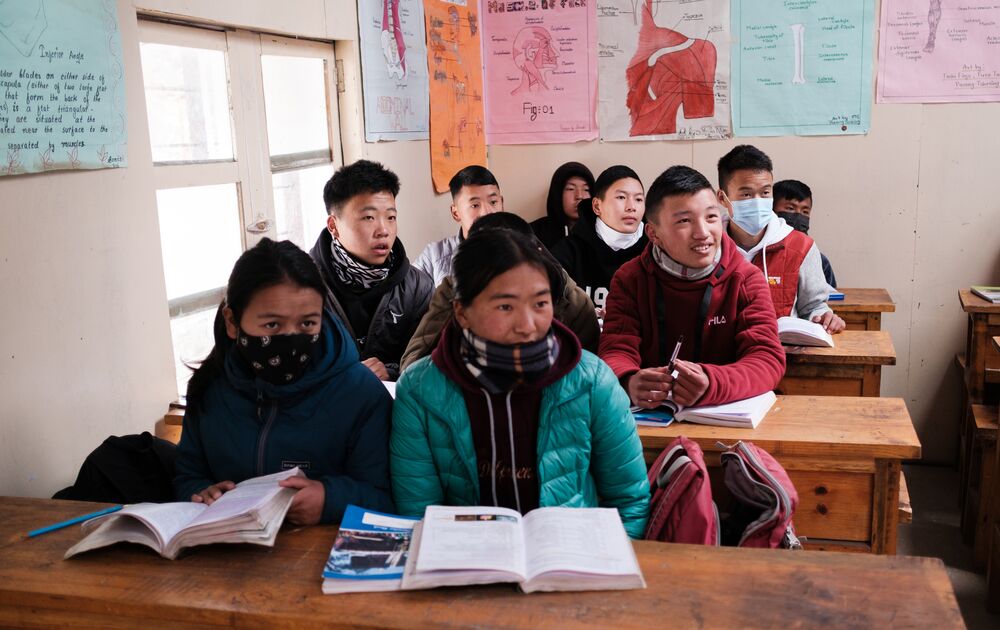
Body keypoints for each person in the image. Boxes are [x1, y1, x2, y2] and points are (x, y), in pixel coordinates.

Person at [390, 230, 650, 538]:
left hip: (572, 563)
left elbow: (630, 501)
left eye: (540, 304)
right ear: (461, 312)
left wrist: (605, 569)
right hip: (465, 566)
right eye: (505, 307)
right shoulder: (420, 390)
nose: (528, 325)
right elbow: (418, 514)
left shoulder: (592, 380)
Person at [174, 238, 394, 525]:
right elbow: (186, 476)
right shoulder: (209, 387)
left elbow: (386, 498)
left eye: (307, 324)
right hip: (226, 554)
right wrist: (201, 494)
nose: (291, 339)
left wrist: (328, 499)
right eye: (272, 325)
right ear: (232, 322)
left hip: (318, 556)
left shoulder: (359, 393)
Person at [600, 165, 785, 410]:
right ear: (653, 233)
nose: (703, 233)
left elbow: (767, 359)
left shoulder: (746, 279)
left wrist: (712, 383)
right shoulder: (630, 279)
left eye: (711, 217)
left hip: (725, 425)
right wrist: (628, 380)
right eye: (685, 221)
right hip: (650, 420)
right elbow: (615, 350)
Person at [400, 212, 600, 371]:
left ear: (537, 253)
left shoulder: (574, 302)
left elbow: (587, 373)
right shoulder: (455, 289)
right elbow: (413, 364)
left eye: (539, 304)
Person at [309, 159, 433, 381]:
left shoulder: (417, 287)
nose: (384, 230)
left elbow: (427, 360)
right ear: (333, 226)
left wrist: (391, 371)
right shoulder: (302, 285)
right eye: (369, 217)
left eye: (391, 217)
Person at [716, 145, 845, 333]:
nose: (758, 201)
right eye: (746, 194)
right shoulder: (709, 246)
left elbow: (814, 308)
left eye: (765, 193)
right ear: (722, 197)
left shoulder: (800, 246)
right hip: (722, 357)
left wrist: (825, 318)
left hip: (780, 355)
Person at [551, 165, 647, 318]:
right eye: (621, 197)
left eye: (639, 199)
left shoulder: (656, 248)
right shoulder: (569, 250)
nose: (631, 207)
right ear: (596, 206)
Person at [413, 165, 504, 287]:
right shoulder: (434, 256)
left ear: (502, 203)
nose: (486, 212)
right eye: (475, 205)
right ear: (456, 213)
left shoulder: (523, 249)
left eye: (493, 202)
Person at [773, 179, 837, 288]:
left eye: (805, 212)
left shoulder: (819, 260)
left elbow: (831, 300)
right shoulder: (757, 253)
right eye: (790, 208)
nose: (798, 215)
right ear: (771, 210)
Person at [530, 162, 595, 250]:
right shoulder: (533, 233)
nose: (579, 196)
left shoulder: (602, 234)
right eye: (570, 189)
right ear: (557, 194)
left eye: (586, 189)